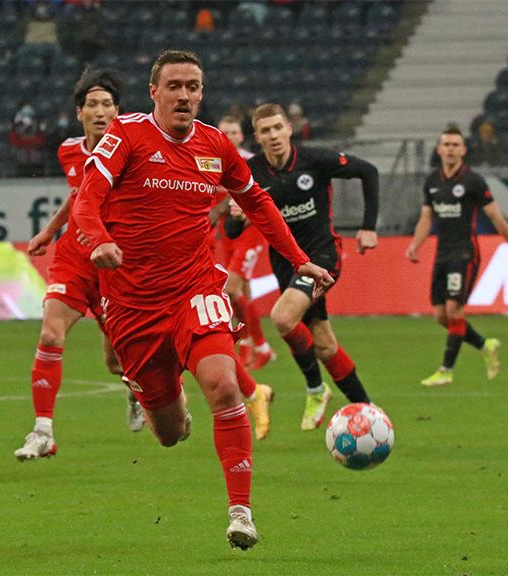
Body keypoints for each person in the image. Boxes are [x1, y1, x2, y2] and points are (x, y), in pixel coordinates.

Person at [71, 50, 333, 550]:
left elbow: (256, 200)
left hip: (195, 290)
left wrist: (298, 258)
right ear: (154, 93)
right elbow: (87, 198)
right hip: (132, 308)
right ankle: (166, 401)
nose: (185, 95)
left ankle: (241, 512)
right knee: (170, 433)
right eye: (174, 86)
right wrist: (98, 238)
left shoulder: (215, 145)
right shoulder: (125, 136)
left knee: (225, 386)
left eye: (193, 86)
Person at [13, 67, 143, 462]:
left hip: (115, 261)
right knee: (51, 333)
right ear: (79, 113)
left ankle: (137, 391)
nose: (100, 111)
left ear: (118, 112)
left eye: (107, 104)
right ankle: (42, 431)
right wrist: (50, 231)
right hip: (74, 257)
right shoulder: (69, 150)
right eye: (92, 105)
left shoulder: (131, 153)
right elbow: (78, 195)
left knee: (116, 360)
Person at [235, 103, 379, 431]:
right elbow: (233, 230)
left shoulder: (314, 159)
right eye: (265, 131)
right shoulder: (252, 172)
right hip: (286, 267)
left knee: (283, 318)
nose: (273, 135)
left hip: (323, 258)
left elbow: (368, 171)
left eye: (277, 128)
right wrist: (236, 215)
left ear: (289, 129)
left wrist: (368, 225)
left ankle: (316, 389)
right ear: (257, 137)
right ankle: (369, 413)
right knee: (325, 343)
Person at [406, 126, 508, 387]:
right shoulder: (432, 181)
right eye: (446, 144)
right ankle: (485, 345)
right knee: (441, 316)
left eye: (455, 145)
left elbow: (496, 217)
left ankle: (445, 370)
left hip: (465, 253)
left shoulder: (473, 181)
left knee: (454, 310)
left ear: (463, 150)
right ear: (439, 149)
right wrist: (415, 245)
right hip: (442, 253)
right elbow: (427, 217)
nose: (450, 149)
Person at [216, 115, 277, 376]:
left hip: (249, 231)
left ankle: (257, 343)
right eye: (224, 132)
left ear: (241, 137)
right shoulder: (210, 160)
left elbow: (260, 197)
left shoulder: (252, 163)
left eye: (233, 132)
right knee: (243, 292)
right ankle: (253, 347)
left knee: (231, 286)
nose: (228, 136)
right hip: (226, 233)